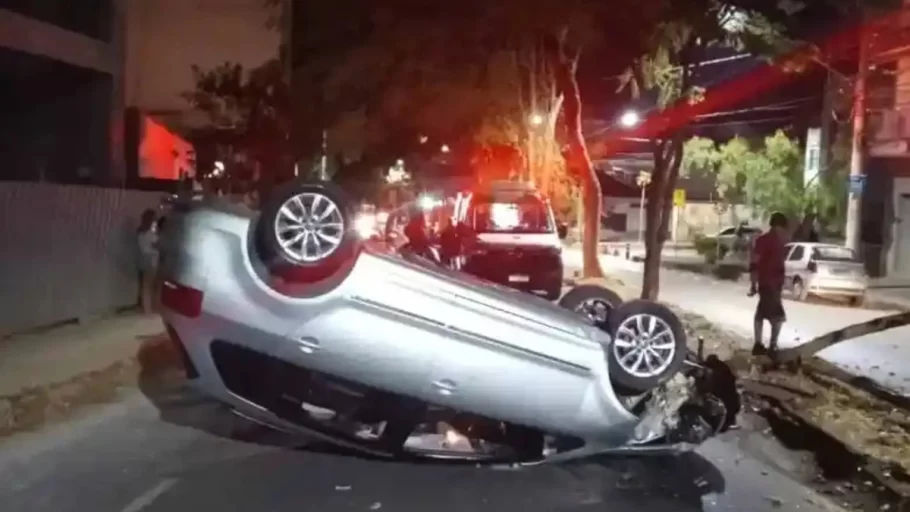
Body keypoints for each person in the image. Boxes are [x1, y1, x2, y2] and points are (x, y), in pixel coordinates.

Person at [748, 212, 789, 357]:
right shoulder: (767, 241)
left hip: (770, 284)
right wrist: (753, 284)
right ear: (778, 226)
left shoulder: (774, 241)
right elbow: (755, 262)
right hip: (770, 284)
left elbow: (754, 263)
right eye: (782, 228)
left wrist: (754, 284)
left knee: (761, 314)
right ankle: (772, 346)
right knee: (778, 317)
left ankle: (759, 344)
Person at [137, 209, 160, 315]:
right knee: (147, 286)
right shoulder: (144, 233)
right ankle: (147, 309)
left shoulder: (147, 232)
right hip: (148, 262)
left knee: (148, 286)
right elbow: (144, 249)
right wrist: (155, 249)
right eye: (154, 218)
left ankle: (148, 308)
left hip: (151, 262)